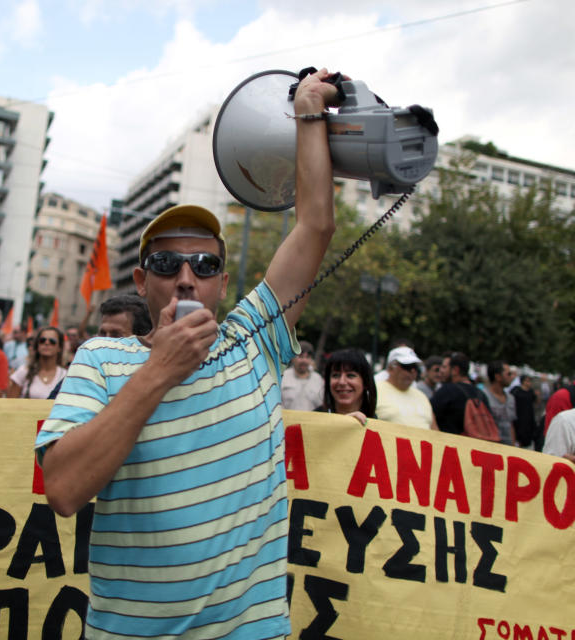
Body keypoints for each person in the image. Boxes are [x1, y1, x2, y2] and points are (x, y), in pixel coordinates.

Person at [35, 68, 345, 639]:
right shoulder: (102, 360)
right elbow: (64, 489)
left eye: (203, 266)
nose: (184, 278)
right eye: (166, 264)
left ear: (222, 284)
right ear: (141, 278)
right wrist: (159, 372)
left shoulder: (255, 339)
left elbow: (315, 225)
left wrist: (308, 111)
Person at [376, 346, 438, 430]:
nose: (412, 371)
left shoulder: (422, 397)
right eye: (407, 366)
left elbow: (435, 431)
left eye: (415, 367)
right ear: (391, 368)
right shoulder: (374, 391)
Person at [431, 351, 491, 434]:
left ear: (455, 370)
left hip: (450, 444)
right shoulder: (481, 394)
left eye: (444, 367)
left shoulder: (447, 391)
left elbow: (429, 415)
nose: (441, 371)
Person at [318, 347, 377, 425]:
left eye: (350, 375)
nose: (342, 382)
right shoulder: (312, 420)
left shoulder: (378, 426)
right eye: (336, 375)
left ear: (365, 382)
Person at [9, 326, 67, 399]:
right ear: (37, 345)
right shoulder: (24, 371)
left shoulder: (65, 376)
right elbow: (10, 403)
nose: (46, 343)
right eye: (42, 340)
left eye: (52, 341)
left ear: (59, 347)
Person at [281, 339, 325, 411]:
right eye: (300, 357)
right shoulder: (283, 378)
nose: (304, 360)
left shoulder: (318, 379)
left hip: (313, 421)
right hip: (288, 421)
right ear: (292, 358)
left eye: (307, 357)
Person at [481, 360, 517, 445]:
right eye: (508, 374)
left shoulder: (511, 398)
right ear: (498, 377)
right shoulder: (483, 397)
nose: (511, 377)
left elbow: (511, 425)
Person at [512, 374, 538, 449]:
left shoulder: (531, 391)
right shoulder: (516, 390)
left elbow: (535, 401)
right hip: (519, 416)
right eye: (527, 381)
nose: (529, 383)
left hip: (528, 416)